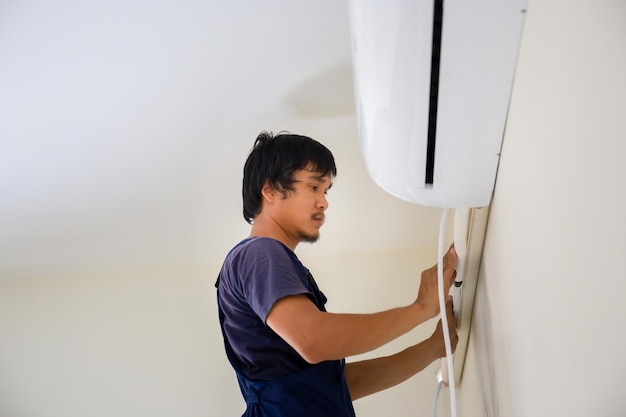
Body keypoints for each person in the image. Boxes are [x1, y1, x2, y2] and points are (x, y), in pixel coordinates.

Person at [215, 131, 458, 417]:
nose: (324, 202)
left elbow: (338, 386)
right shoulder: (259, 255)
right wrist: (421, 309)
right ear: (270, 190)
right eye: (314, 186)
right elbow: (313, 340)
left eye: (326, 190)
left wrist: (432, 348)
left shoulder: (264, 262)